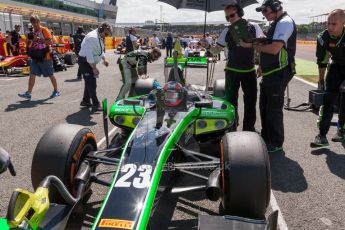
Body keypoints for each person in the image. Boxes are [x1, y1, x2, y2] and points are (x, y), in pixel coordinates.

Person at [240, 0, 297, 153]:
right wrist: (262, 65)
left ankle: (276, 142)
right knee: (264, 106)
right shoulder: (276, 22)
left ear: (276, 8)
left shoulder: (285, 22)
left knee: (274, 108)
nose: (264, 14)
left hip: (280, 72)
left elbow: (273, 49)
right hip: (270, 71)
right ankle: (267, 137)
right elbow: (269, 46)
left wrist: (251, 45)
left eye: (265, 11)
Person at [200, 3, 264, 132]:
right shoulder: (226, 30)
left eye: (232, 15)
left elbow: (261, 47)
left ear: (240, 13)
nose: (230, 19)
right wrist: (206, 46)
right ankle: (232, 127)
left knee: (251, 102)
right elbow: (216, 51)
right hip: (231, 72)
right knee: (230, 102)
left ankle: (249, 129)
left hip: (249, 71)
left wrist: (262, 64)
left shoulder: (254, 26)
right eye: (227, 17)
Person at [310, 9, 345, 147]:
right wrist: (321, 81)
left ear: (343, 23)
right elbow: (322, 60)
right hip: (336, 67)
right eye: (328, 23)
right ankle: (322, 135)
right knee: (328, 98)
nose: (330, 27)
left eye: (334, 24)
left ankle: (341, 131)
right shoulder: (323, 37)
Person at [18, 15, 60, 100]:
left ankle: (56, 91)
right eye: (33, 22)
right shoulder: (32, 32)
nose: (35, 24)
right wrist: (28, 41)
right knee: (32, 74)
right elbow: (30, 44)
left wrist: (39, 39)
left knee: (50, 74)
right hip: (35, 56)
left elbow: (50, 42)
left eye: (37, 22)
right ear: (32, 23)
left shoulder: (44, 30)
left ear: (39, 22)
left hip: (46, 56)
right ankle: (28, 93)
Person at [78, 22, 111, 112]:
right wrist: (94, 68)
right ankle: (96, 104)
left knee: (89, 82)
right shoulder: (92, 37)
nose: (106, 36)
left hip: (89, 61)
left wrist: (104, 59)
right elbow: (89, 55)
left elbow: (99, 49)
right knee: (92, 83)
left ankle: (85, 101)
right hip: (85, 61)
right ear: (100, 30)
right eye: (106, 33)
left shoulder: (99, 35)